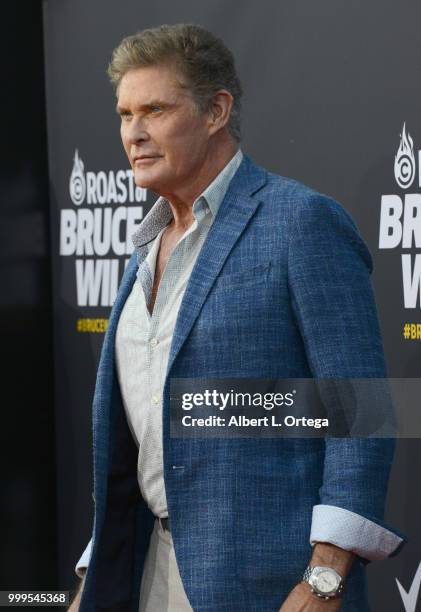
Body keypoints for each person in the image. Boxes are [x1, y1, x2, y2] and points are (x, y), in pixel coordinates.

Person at [70, 23, 405, 612]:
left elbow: (362, 409)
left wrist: (325, 576)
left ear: (216, 110)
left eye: (153, 109)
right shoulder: (142, 251)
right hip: (147, 572)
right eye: (125, 114)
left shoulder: (298, 223)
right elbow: (139, 443)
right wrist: (95, 573)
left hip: (271, 586)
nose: (134, 134)